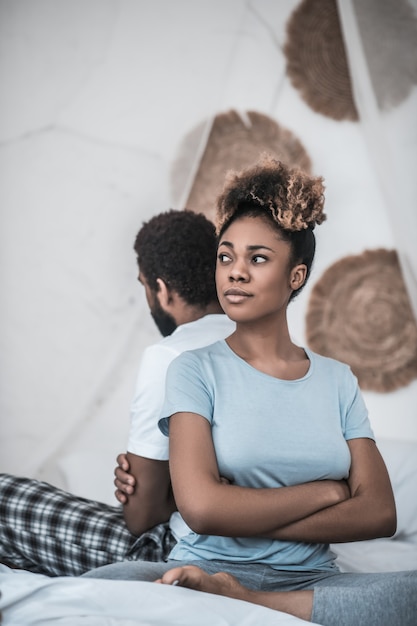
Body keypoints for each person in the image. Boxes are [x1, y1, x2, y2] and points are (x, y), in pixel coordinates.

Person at [84, 156, 417, 626]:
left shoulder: (337, 379)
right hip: (200, 568)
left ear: (295, 276)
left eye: (257, 258)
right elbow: (201, 509)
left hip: (310, 581)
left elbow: (381, 513)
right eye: (226, 256)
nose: (235, 272)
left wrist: (238, 509)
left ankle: (250, 603)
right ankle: (233, 594)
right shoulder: (192, 370)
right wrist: (325, 493)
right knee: (102, 585)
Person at [0, 209, 234, 576]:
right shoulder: (264, 344)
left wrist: (152, 488)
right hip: (263, 548)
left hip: (182, 553)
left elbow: (141, 517)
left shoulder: (171, 357)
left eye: (144, 286)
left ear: (161, 289)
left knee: (5, 498)